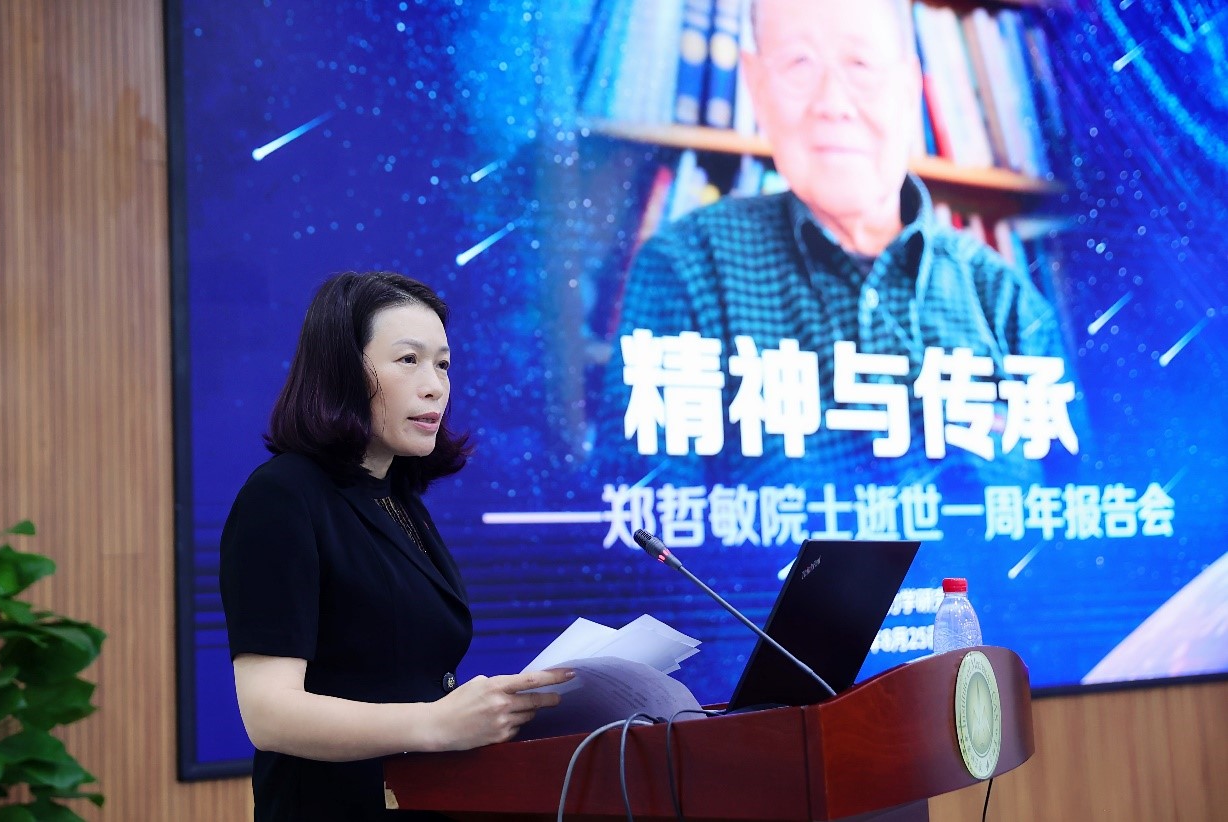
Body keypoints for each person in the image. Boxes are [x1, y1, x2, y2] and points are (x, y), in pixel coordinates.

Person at [599, 0, 1070, 491]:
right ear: (757, 87)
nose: (833, 103)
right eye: (799, 63)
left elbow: (1079, 512)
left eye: (861, 64)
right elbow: (641, 522)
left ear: (909, 87)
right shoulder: (687, 268)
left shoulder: (1005, 300)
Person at [219, 271, 572, 820]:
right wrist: (436, 723)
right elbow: (269, 714)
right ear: (342, 372)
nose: (434, 386)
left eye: (443, 364)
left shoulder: (398, 496)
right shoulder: (282, 496)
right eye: (409, 360)